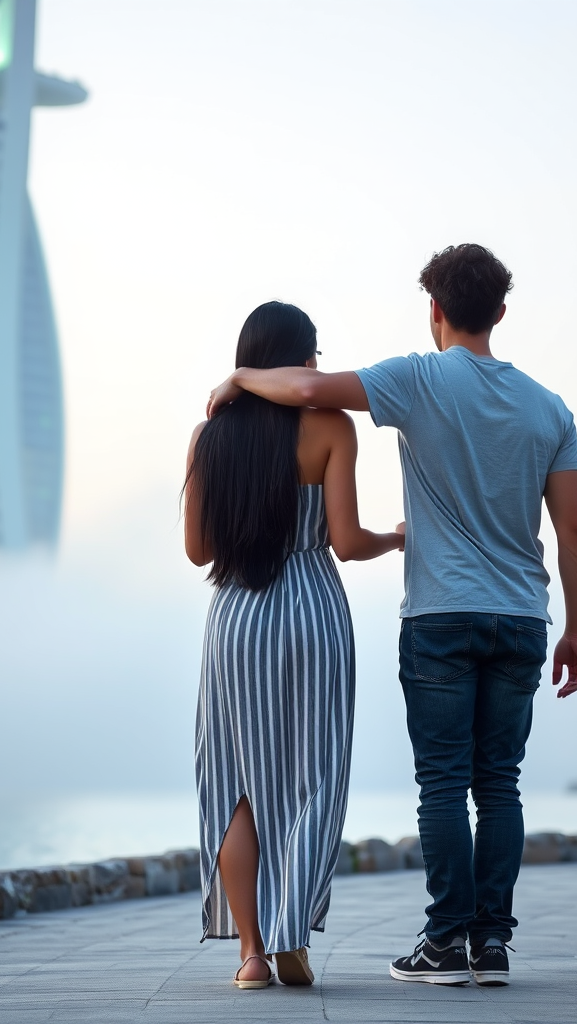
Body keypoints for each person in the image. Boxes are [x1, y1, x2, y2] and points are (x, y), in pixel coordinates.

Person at [206, 244, 577, 988]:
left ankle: (446, 943)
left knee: (444, 783)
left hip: (441, 617)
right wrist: (576, 627)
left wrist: (240, 376)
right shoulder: (551, 408)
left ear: (435, 311)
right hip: (522, 617)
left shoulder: (417, 377)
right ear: (501, 314)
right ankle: (494, 944)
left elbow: (311, 384)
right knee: (500, 783)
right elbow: (574, 530)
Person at [184, 301, 404, 990]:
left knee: (236, 785)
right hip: (312, 608)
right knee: (316, 777)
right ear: (299, 358)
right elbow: (346, 542)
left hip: (238, 615)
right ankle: (291, 937)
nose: (316, 364)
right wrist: (398, 537)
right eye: (313, 353)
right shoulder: (330, 427)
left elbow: (197, 552)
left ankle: (251, 954)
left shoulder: (208, 437)